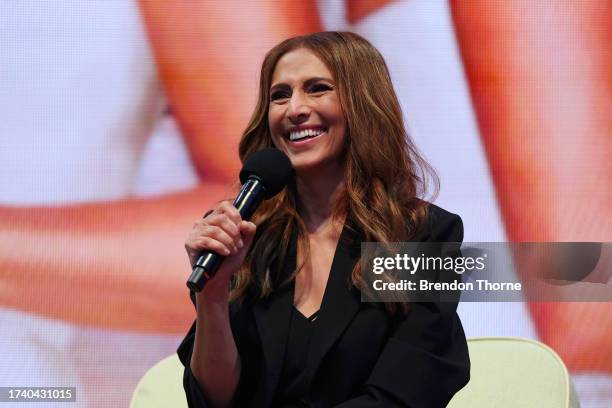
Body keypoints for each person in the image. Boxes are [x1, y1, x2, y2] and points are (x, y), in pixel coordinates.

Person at [180, 31, 469, 408]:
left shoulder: (421, 236)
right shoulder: (243, 237)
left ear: (361, 104)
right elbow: (215, 399)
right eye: (279, 95)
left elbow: (405, 395)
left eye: (317, 89)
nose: (294, 109)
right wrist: (213, 296)